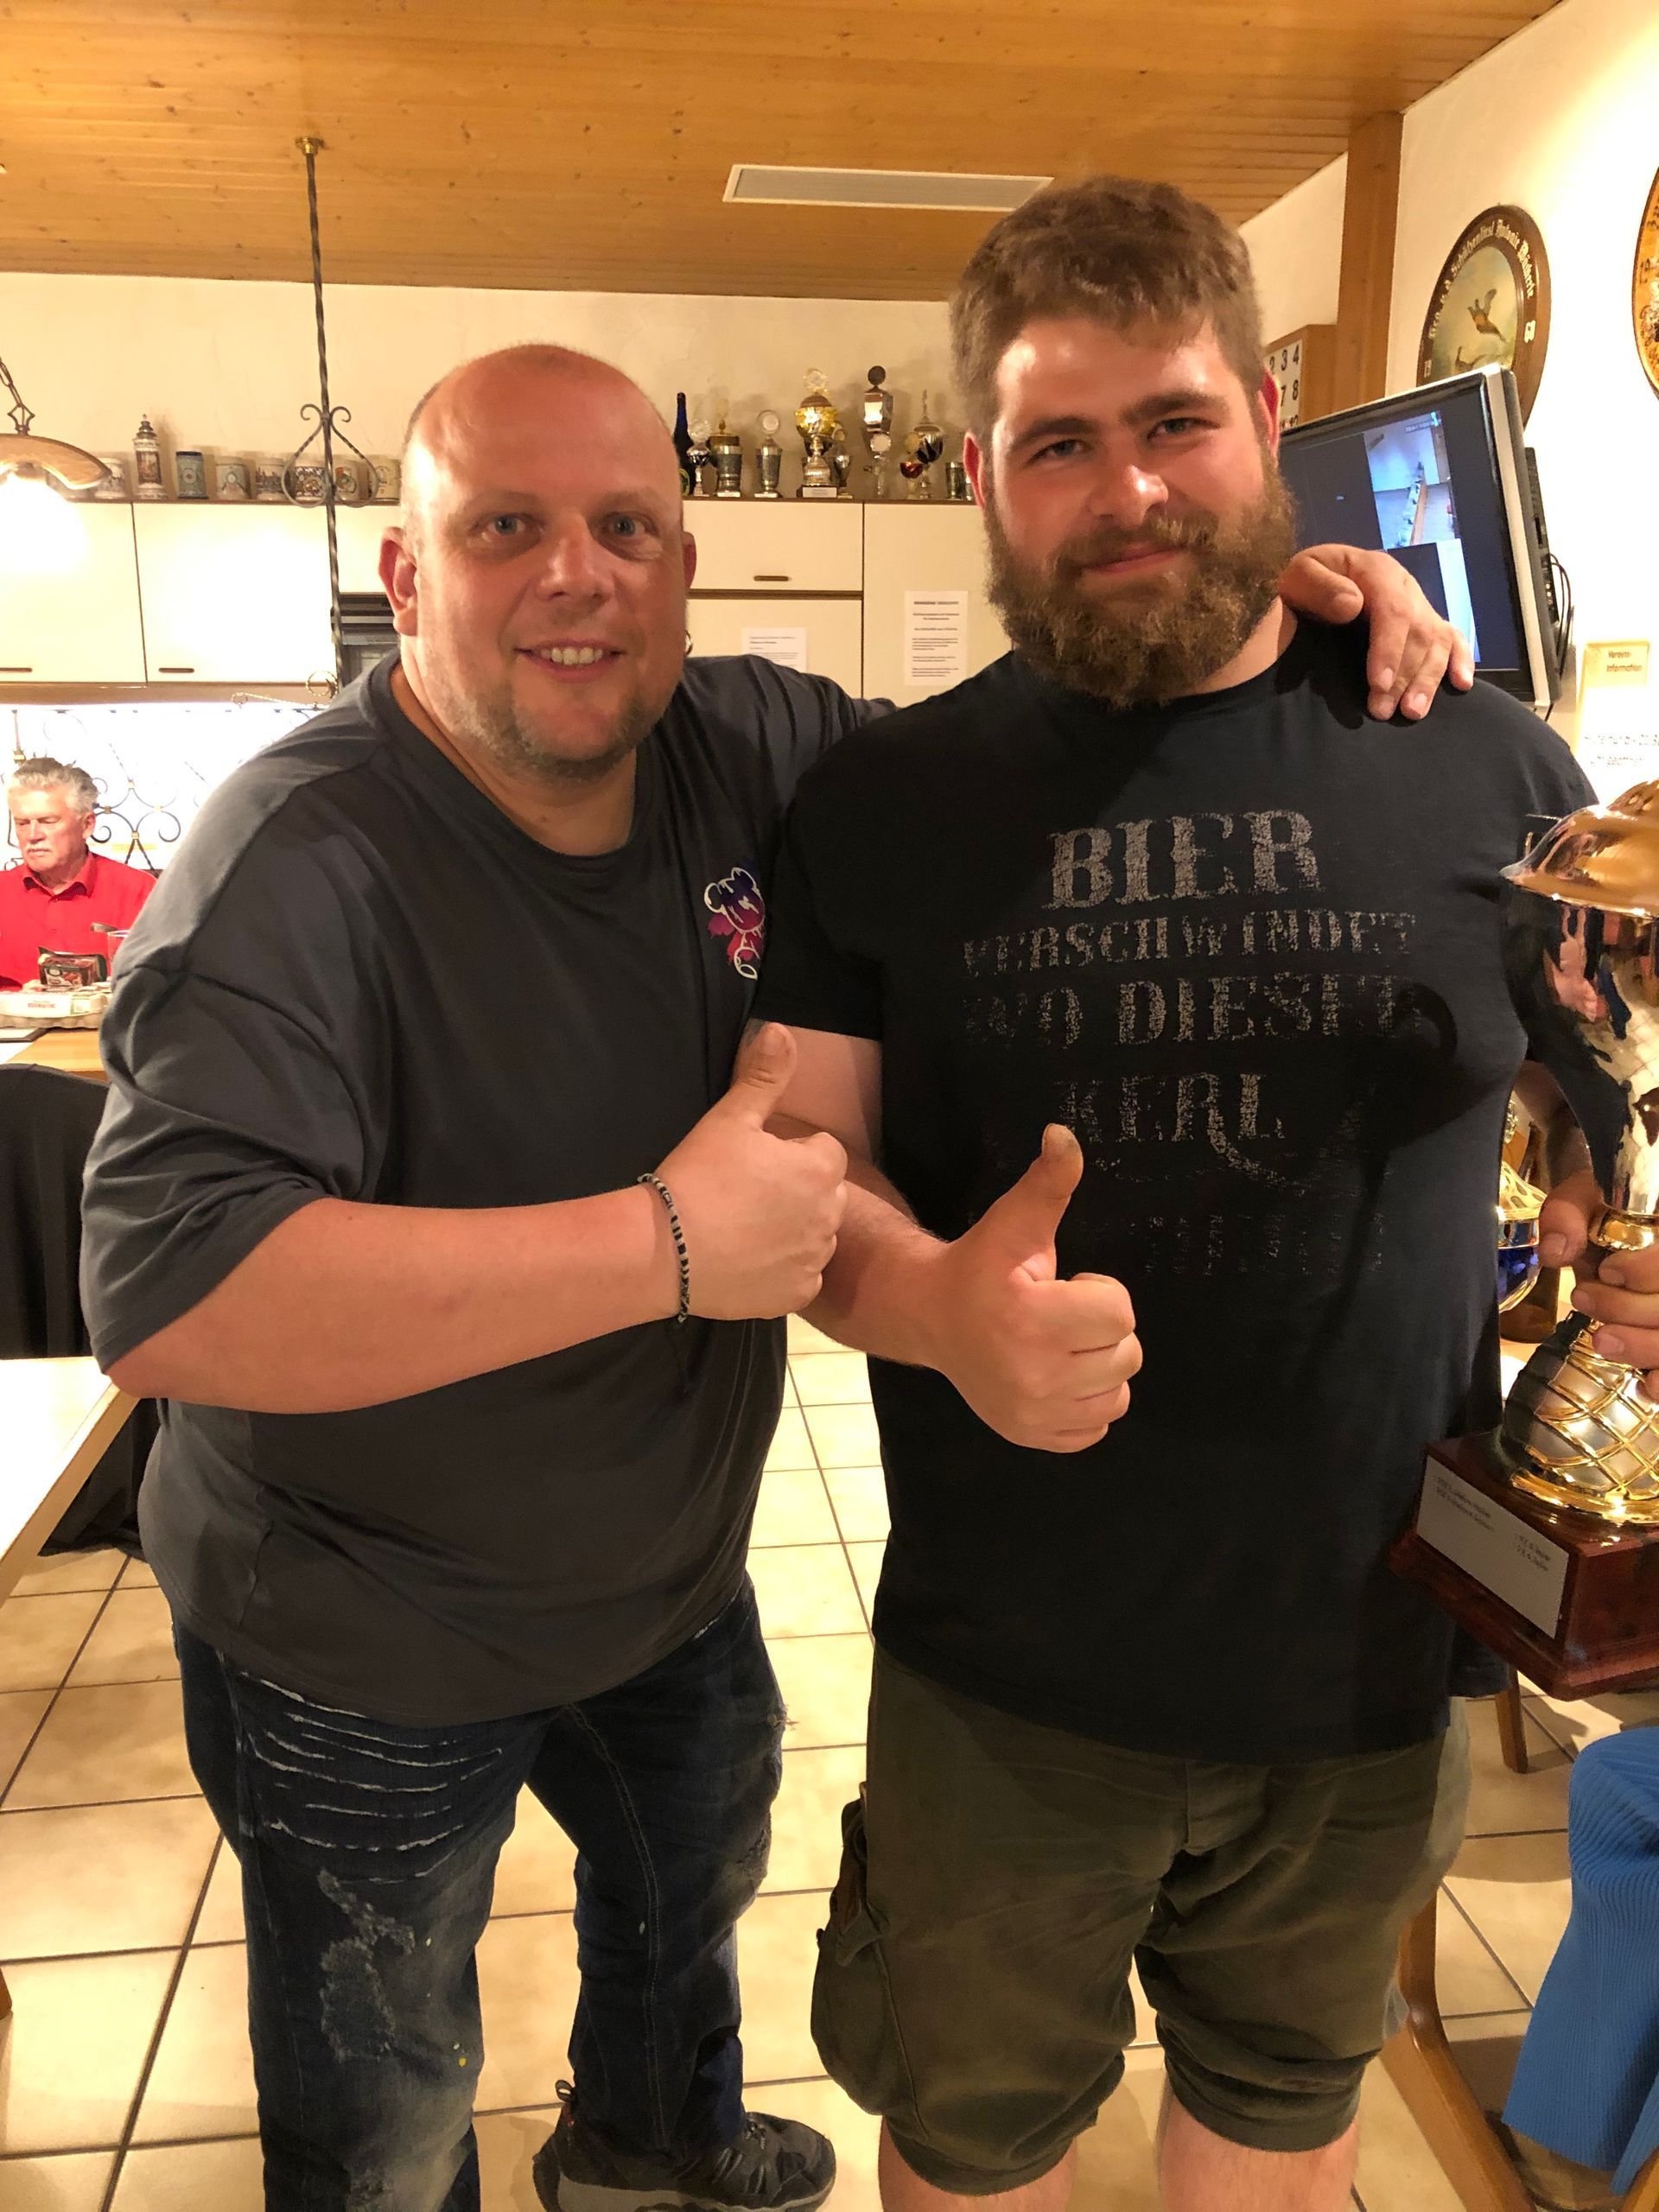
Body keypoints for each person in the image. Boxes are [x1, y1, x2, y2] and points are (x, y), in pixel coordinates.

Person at [79, 334, 1474, 2212]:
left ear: (685, 564)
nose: (577, 577)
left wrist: (1256, 604)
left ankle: (646, 2147)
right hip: (360, 1632)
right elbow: (166, 1292)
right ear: (405, 576)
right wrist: (664, 1245)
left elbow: (1046, 731)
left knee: (688, 1900)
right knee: (388, 2095)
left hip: (662, 1586)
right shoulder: (290, 859)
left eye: (625, 528)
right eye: (505, 528)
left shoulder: (761, 747)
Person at [751, 177, 1659, 2212]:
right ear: (983, 477)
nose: (1128, 488)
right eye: (1058, 442)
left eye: (1172, 421)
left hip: (1367, 1652)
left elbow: (1606, 1111)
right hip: (1004, 1675)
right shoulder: (881, 800)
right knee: (973, 2139)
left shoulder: (1494, 769)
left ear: (1263, 416)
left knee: (1279, 2120)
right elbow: (798, 1160)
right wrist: (932, 1305)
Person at [0, 756, 155, 989]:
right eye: (22, 823)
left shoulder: (138, 892)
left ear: (87, 825)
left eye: (48, 821)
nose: (32, 836)